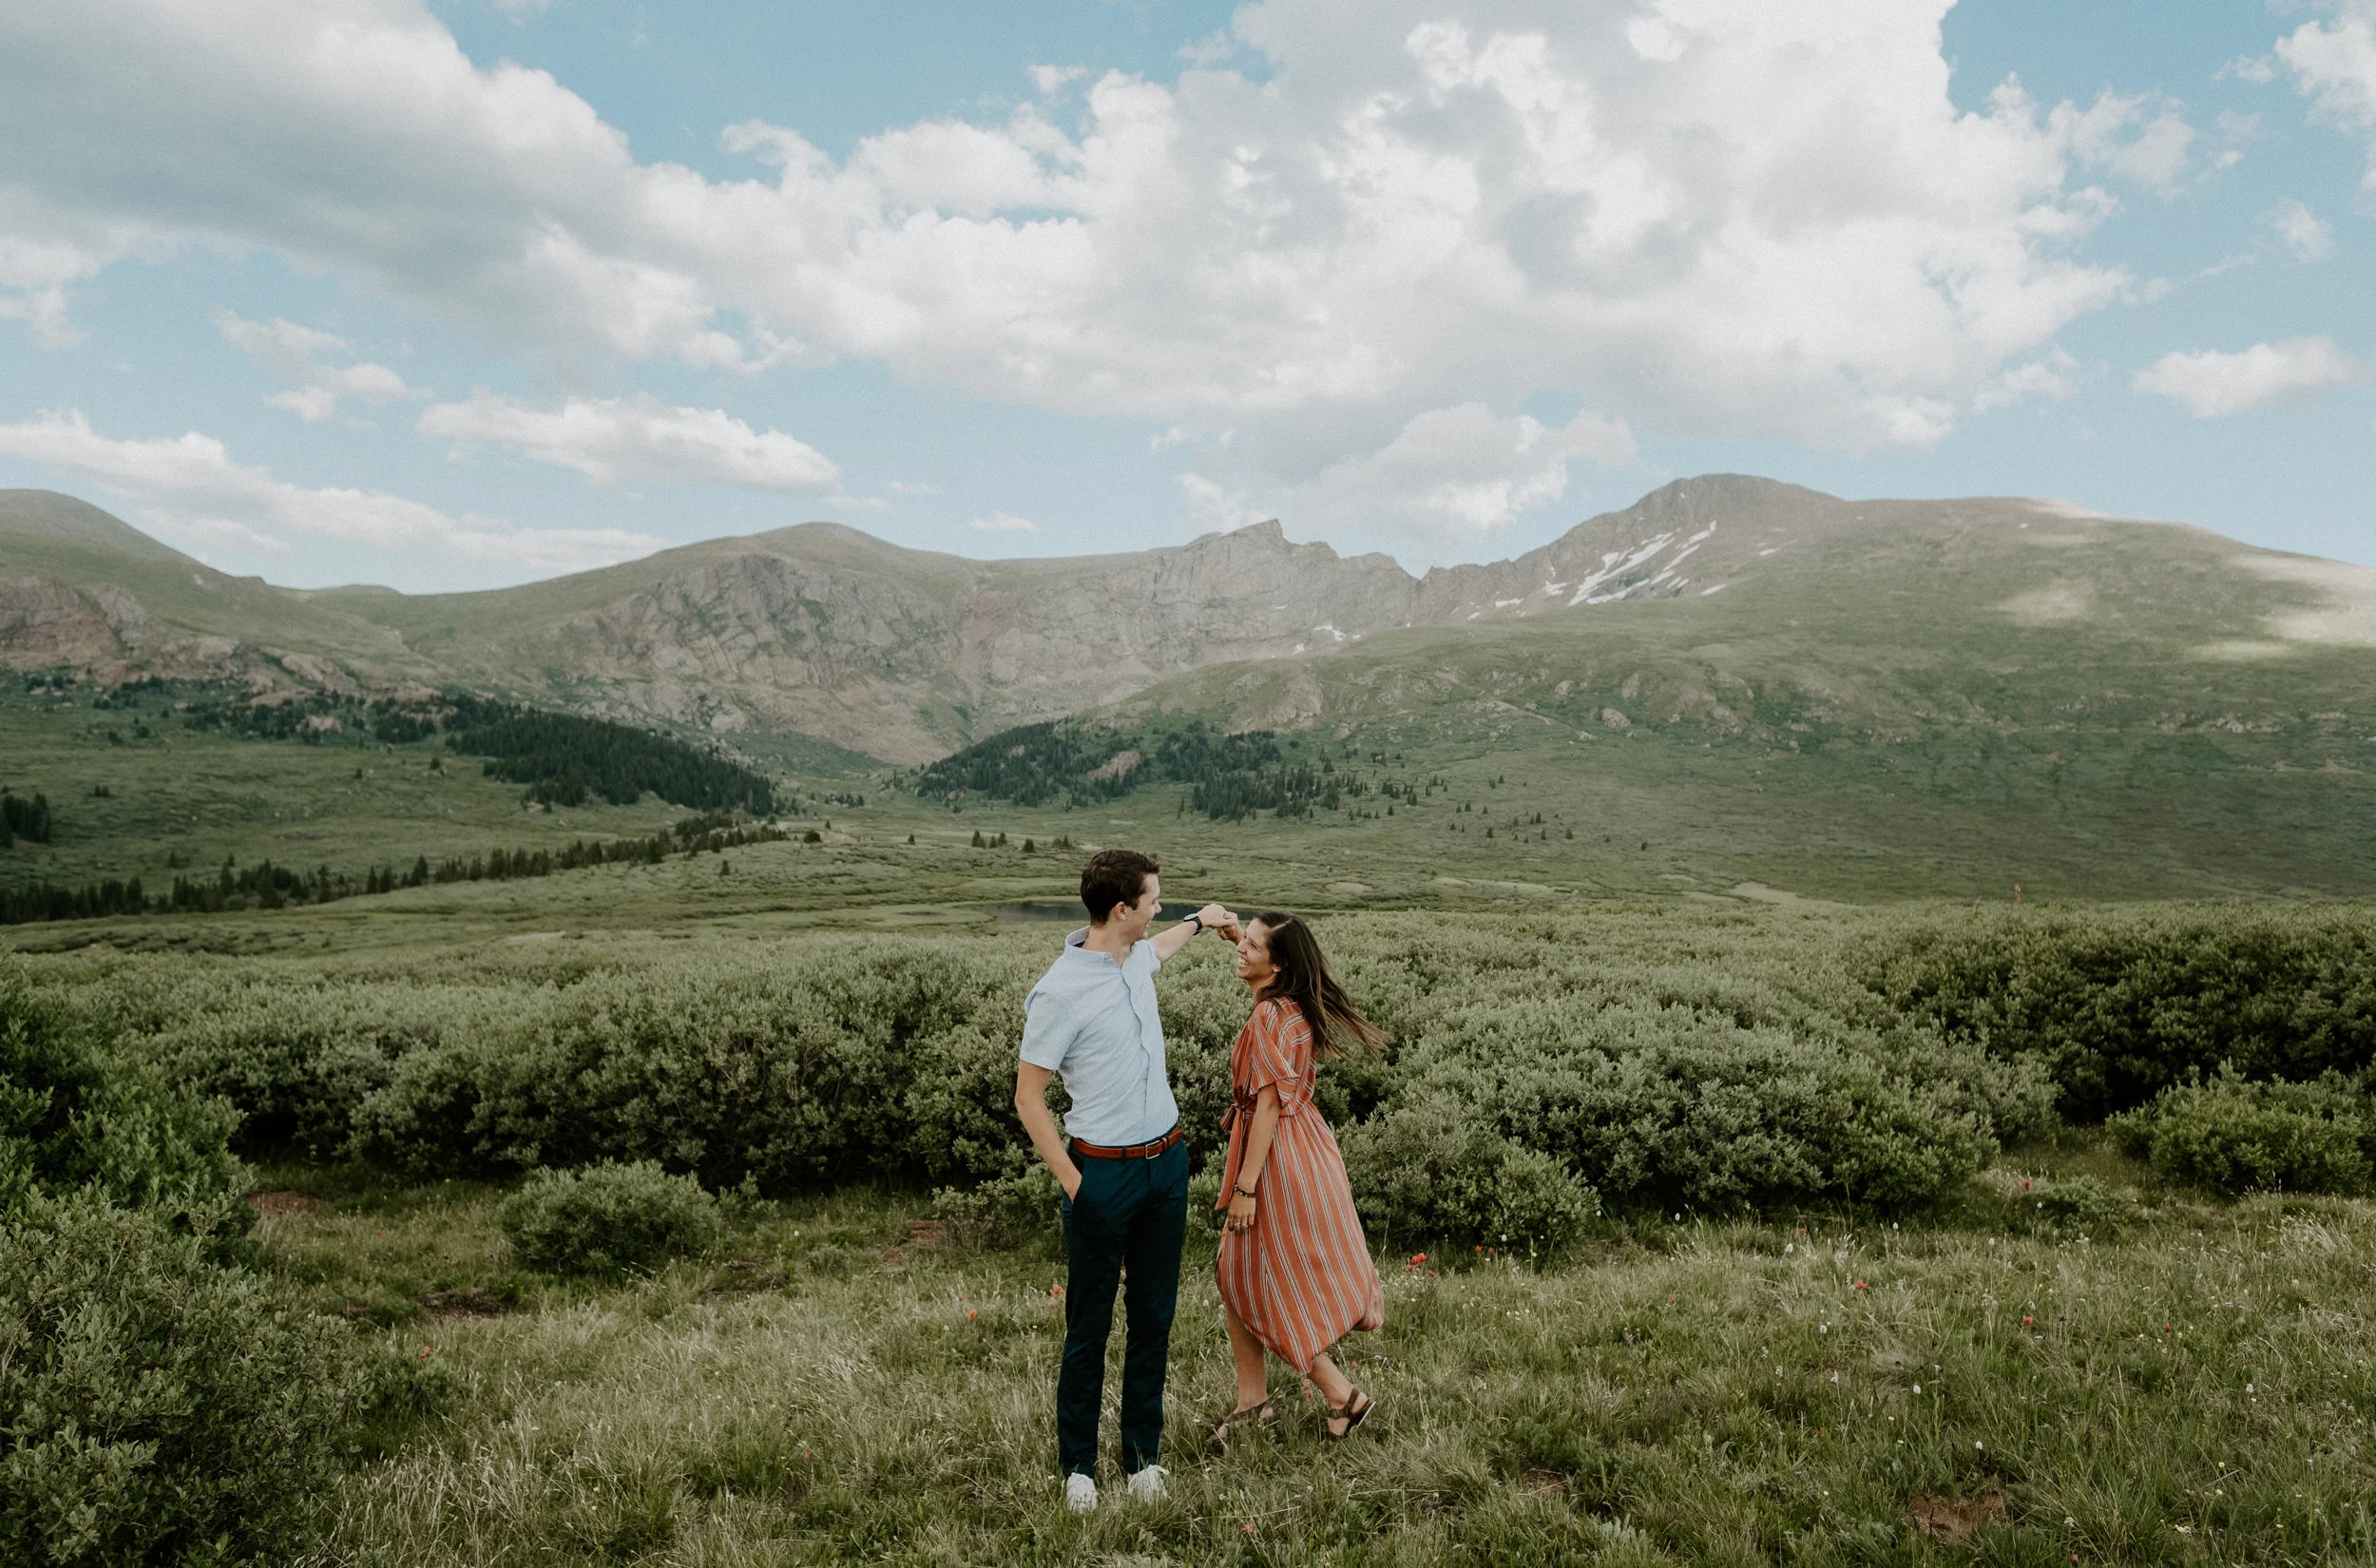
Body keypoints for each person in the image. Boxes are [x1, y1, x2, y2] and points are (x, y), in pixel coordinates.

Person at [1013, 847, 1236, 1514]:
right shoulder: (1058, 992)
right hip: (1101, 1177)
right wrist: (1077, 1187)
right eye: (1152, 898)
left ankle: (1143, 1458)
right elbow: (1029, 1099)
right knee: (1090, 1326)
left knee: (1153, 1319)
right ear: (1120, 909)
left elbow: (1164, 945)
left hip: (1166, 1166)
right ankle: (1078, 1467)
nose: (1158, 906)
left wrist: (1204, 918)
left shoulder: (1135, 955)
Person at [1211, 910, 1388, 1444]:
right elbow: (1264, 955)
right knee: (1238, 1270)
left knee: (1260, 1278)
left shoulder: (1269, 1017)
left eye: (1252, 945)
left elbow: (1266, 1108)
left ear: (1278, 964)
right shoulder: (1287, 1006)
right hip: (1304, 1145)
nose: (1242, 949)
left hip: (1276, 1158)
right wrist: (1237, 938)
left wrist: (1245, 1188)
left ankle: (1340, 1395)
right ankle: (1253, 1402)